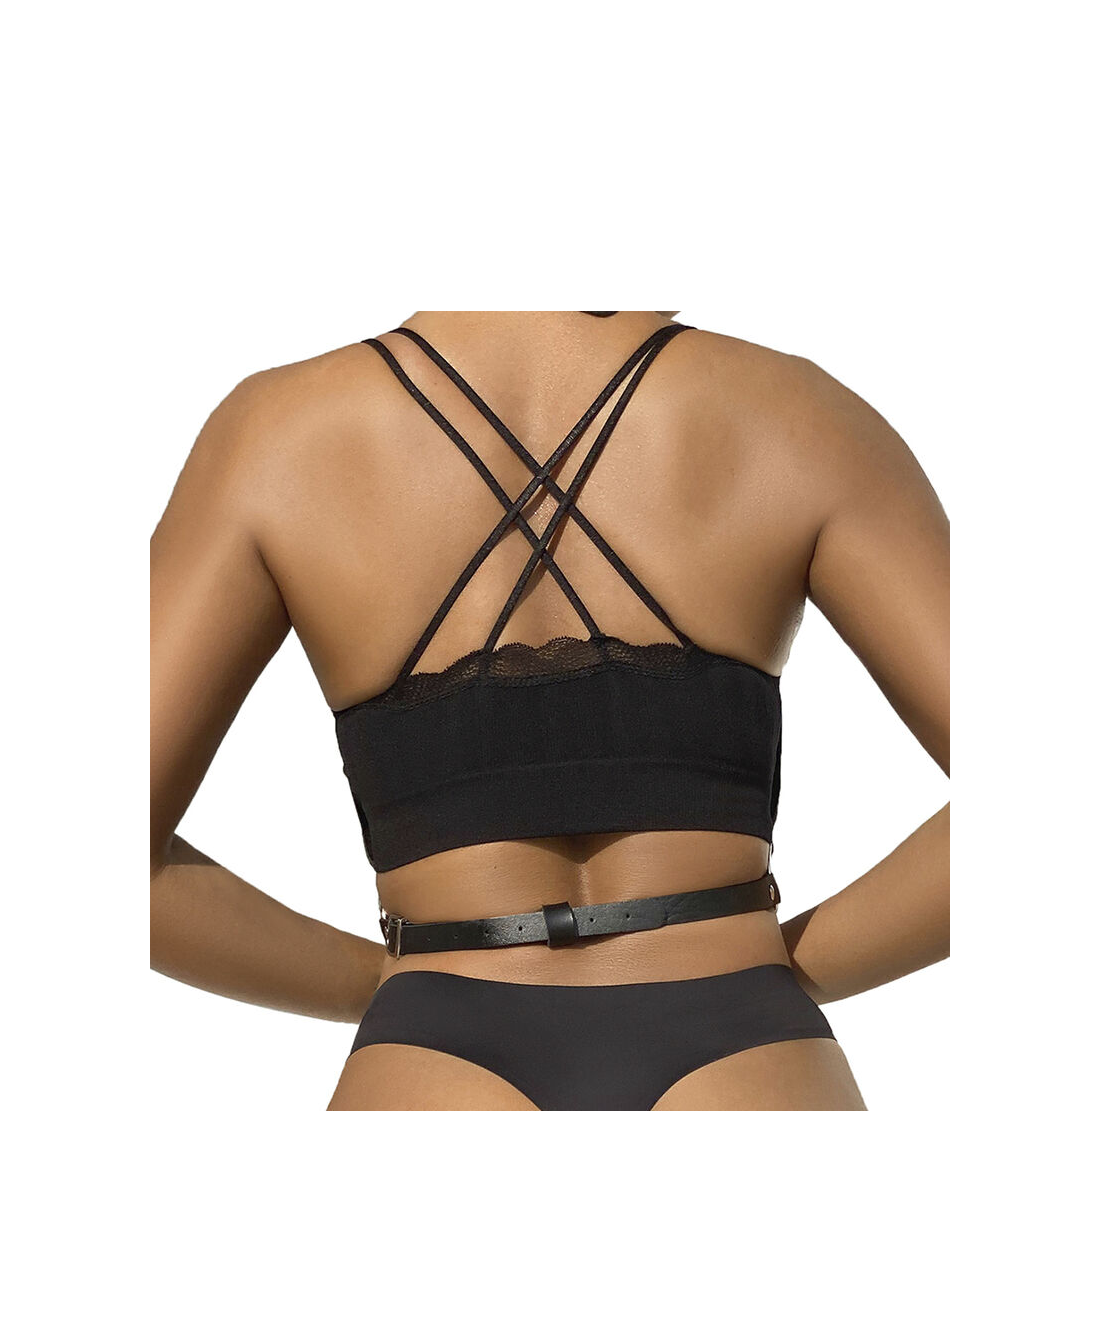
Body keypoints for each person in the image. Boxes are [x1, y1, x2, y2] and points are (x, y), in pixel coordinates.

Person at [150, 310, 949, 1110]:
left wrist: (387, 986)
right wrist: (780, 976)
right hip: (744, 1040)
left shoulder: (276, 435)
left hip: (437, 1046)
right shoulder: (795, 414)